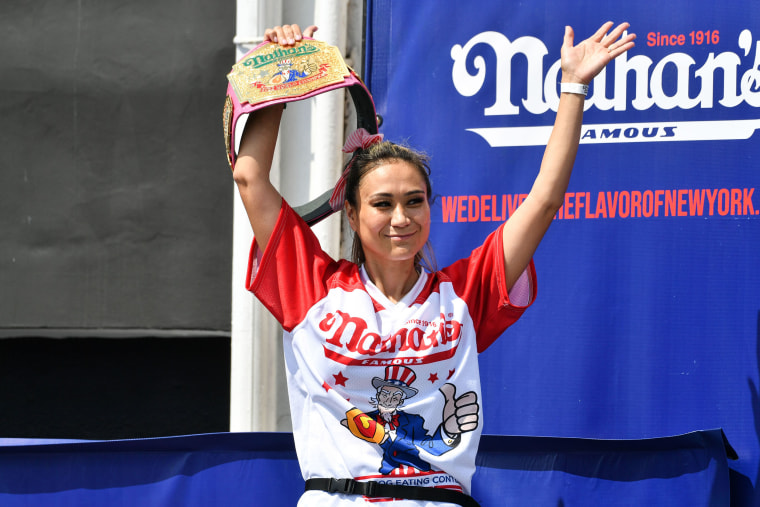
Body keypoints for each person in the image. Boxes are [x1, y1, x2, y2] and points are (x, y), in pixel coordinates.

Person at [230, 21, 635, 507]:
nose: (401, 218)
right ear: (353, 214)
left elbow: (544, 201)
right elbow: (250, 176)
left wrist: (573, 86)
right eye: (382, 203)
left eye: (414, 201)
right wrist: (280, 74)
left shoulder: (463, 295)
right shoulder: (313, 286)